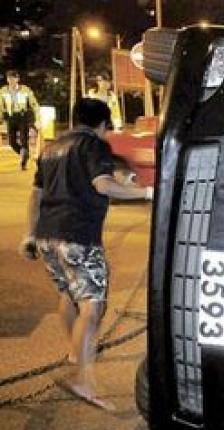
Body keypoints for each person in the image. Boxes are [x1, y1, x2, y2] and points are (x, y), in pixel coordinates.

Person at [18, 98, 153, 410]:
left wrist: (30, 233)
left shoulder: (51, 149)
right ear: (102, 125)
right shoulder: (94, 146)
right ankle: (82, 377)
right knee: (93, 307)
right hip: (78, 236)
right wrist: (146, 192)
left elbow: (36, 195)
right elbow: (103, 185)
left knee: (69, 294)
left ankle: (74, 351)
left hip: (48, 236)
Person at [0, 70, 40, 170]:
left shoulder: (25, 90)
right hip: (11, 117)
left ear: (17, 79)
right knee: (12, 142)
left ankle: (23, 162)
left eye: (13, 78)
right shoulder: (3, 91)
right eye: (9, 78)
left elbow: (34, 105)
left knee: (23, 139)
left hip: (23, 117)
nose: (11, 80)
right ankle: (24, 154)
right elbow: (0, 106)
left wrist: (37, 119)